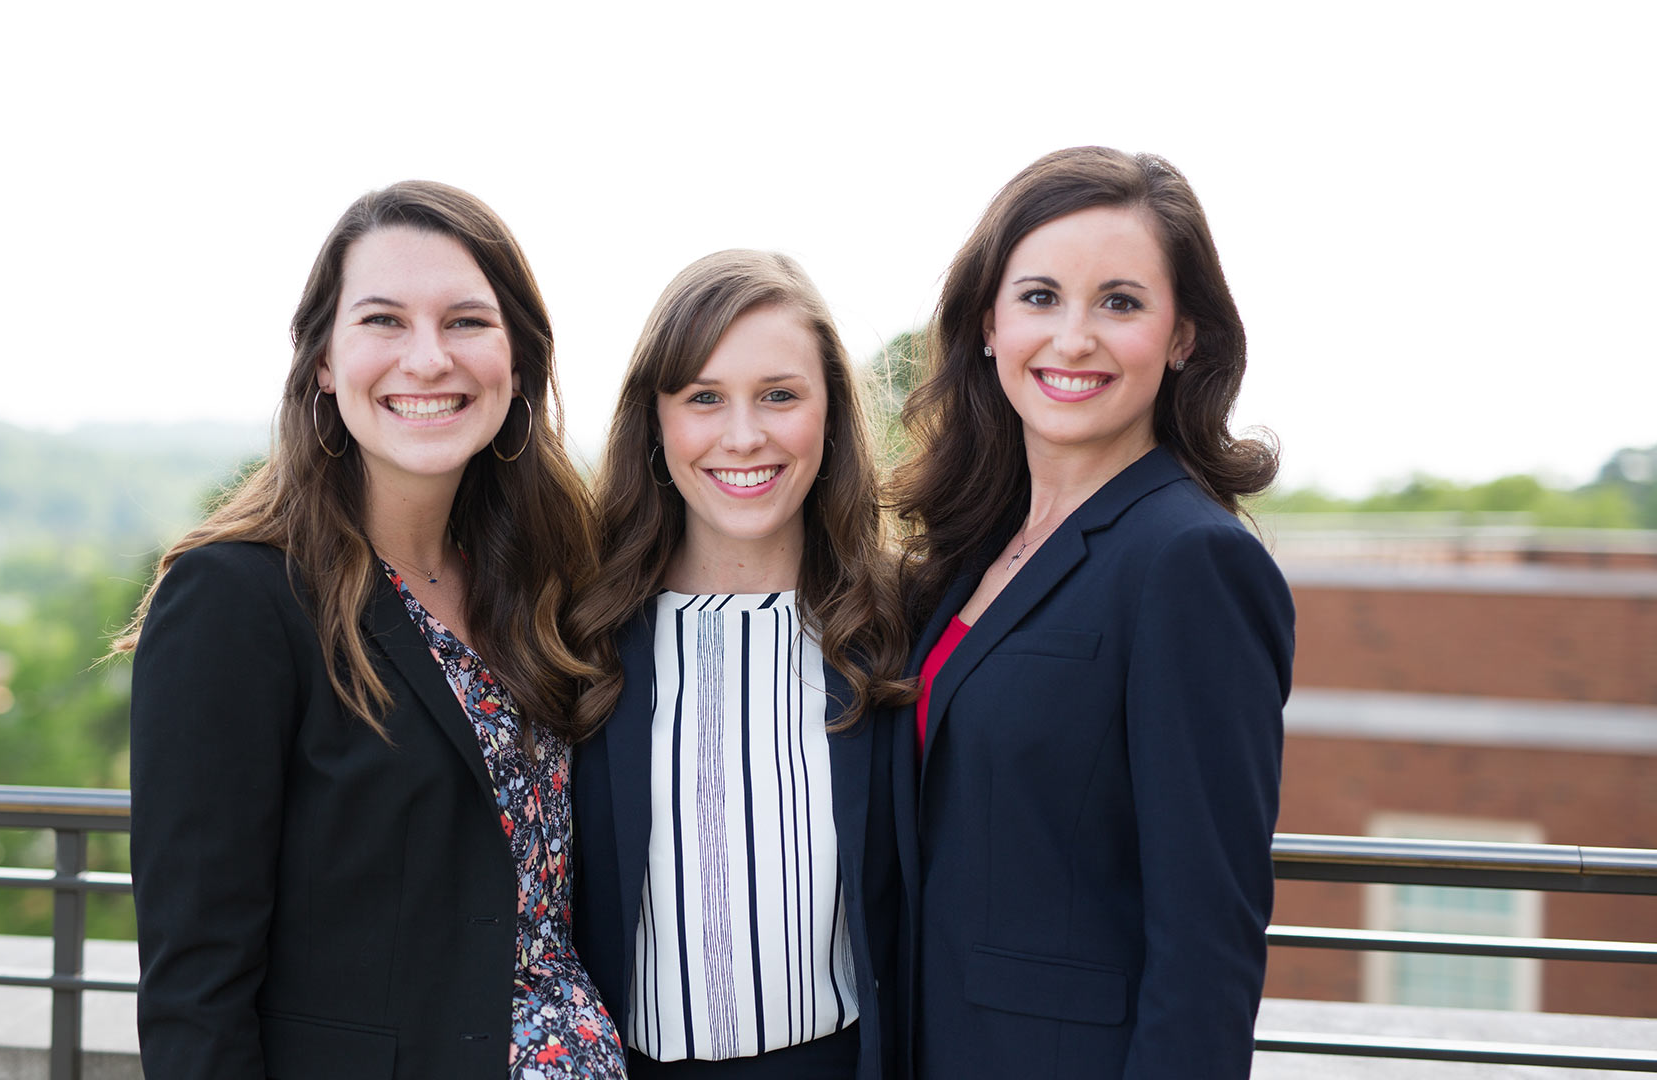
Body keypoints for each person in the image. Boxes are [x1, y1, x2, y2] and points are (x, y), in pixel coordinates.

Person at [118, 181, 626, 1079]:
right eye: (383, 321)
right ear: (321, 359)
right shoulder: (234, 601)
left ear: (518, 360)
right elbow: (194, 992)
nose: (427, 359)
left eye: (467, 321)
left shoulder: (543, 579)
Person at [889, 147, 1295, 1079]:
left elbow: (1208, 943)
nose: (1073, 338)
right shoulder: (973, 550)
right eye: (1039, 297)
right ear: (987, 324)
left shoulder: (1193, 562)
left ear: (1183, 335)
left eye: (1120, 302)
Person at [570, 250, 916, 1079]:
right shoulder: (577, 632)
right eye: (703, 398)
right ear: (656, 421)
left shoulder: (901, 625)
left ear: (830, 413)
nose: (743, 435)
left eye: (779, 395)